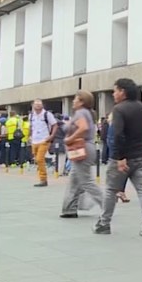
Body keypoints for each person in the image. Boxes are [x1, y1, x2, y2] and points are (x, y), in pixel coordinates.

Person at [95, 78, 142, 237]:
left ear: (123, 91)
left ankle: (104, 223)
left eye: (115, 91)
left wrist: (120, 157)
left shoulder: (119, 110)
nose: (113, 94)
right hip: (141, 156)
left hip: (121, 158)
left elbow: (117, 134)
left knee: (110, 190)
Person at [60, 90, 104, 219]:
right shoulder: (86, 113)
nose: (73, 101)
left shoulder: (80, 113)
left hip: (82, 147)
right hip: (85, 147)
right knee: (75, 179)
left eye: (75, 99)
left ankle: (107, 205)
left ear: (82, 102)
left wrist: (70, 138)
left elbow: (83, 128)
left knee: (86, 181)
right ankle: (69, 209)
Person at [28, 99, 60, 187]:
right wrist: (29, 136)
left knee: (39, 159)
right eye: (36, 104)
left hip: (44, 140)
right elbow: (31, 127)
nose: (37, 106)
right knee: (36, 160)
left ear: (42, 106)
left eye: (39, 104)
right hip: (34, 140)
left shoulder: (47, 114)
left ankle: (43, 180)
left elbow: (55, 125)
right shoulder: (31, 115)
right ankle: (41, 178)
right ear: (33, 106)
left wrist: (51, 136)